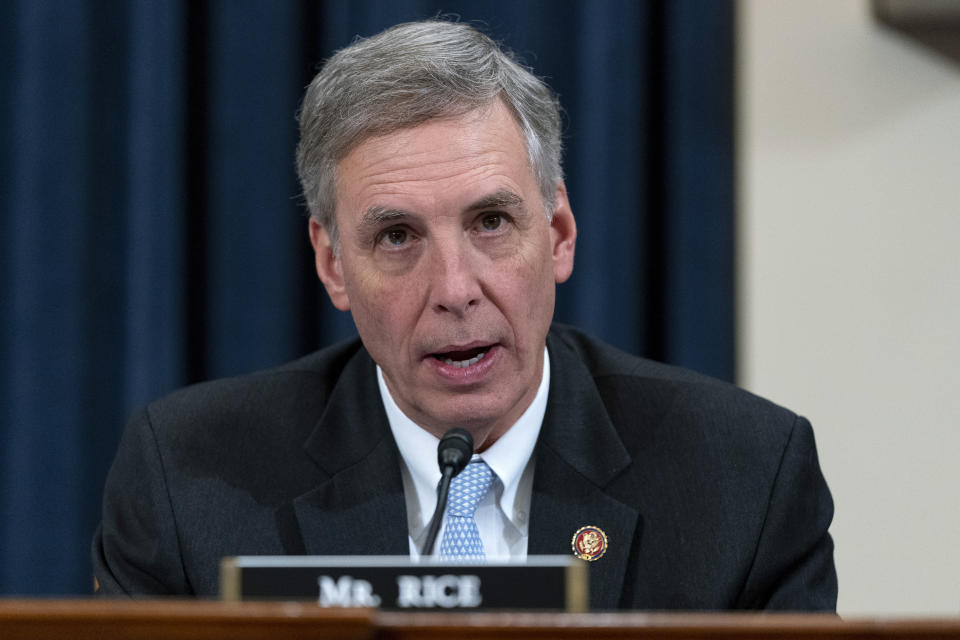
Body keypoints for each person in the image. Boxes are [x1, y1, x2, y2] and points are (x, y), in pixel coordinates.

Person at [92, 19, 837, 610]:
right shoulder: (190, 481)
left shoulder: (742, 479)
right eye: (397, 237)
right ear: (331, 264)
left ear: (559, 236)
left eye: (489, 223)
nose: (454, 287)